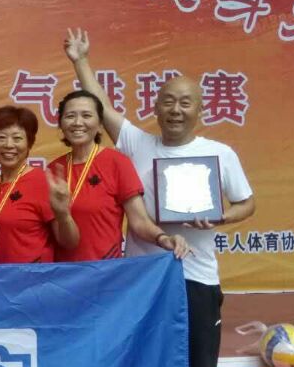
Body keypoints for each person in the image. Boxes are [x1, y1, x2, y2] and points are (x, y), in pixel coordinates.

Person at [65, 28, 254, 367]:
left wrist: (222, 217)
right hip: (142, 280)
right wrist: (80, 60)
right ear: (155, 106)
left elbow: (248, 203)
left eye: (185, 102)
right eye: (168, 101)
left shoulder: (220, 153)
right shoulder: (137, 143)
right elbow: (100, 107)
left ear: (200, 110)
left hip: (196, 279)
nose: (175, 110)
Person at [48, 90, 191, 262]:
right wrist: (62, 214)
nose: (78, 122)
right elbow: (62, 240)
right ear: (61, 124)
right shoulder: (53, 170)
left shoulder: (117, 162)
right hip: (64, 272)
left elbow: (139, 221)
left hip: (107, 271)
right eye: (70, 116)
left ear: (100, 124)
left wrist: (163, 238)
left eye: (86, 115)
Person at [0, 105, 78, 263]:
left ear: (29, 143)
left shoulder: (42, 181)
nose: (9, 145)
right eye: (1, 138)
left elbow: (69, 242)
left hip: (33, 276)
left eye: (17, 138)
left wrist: (63, 215)